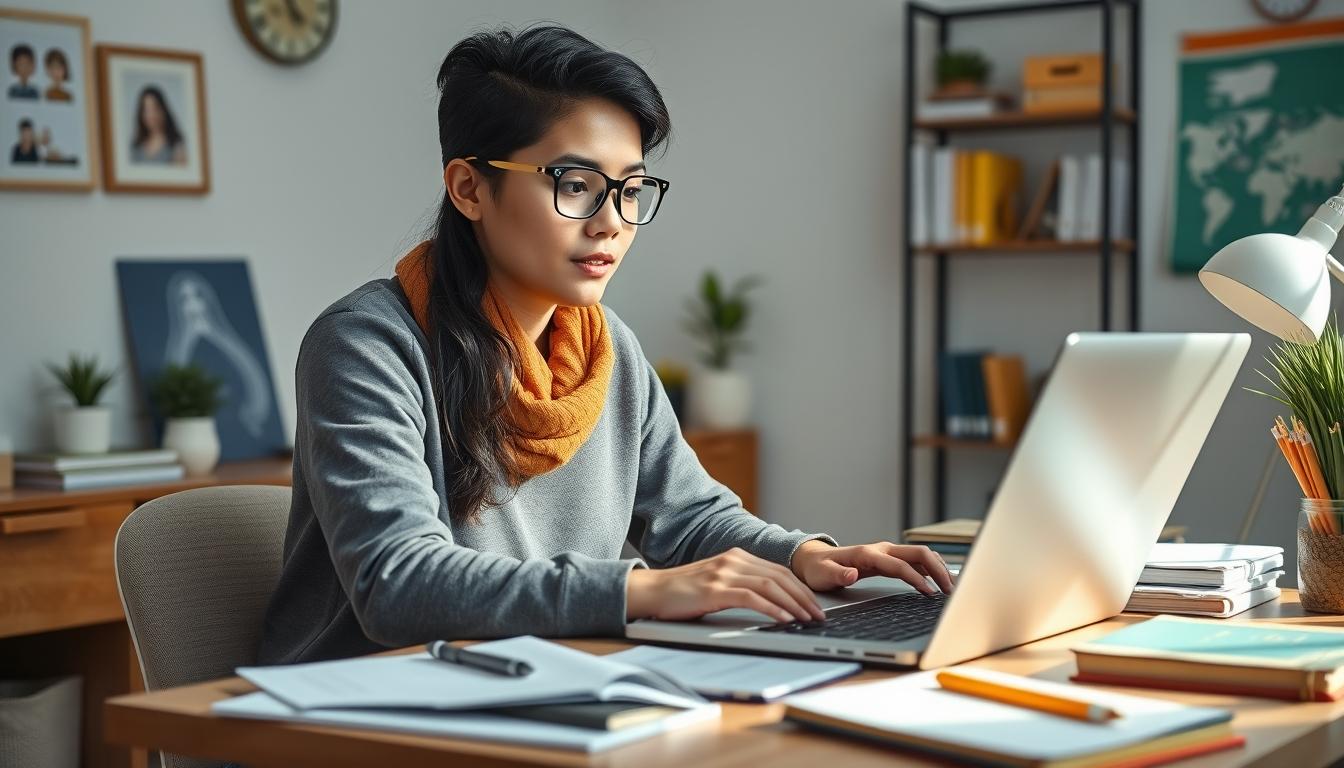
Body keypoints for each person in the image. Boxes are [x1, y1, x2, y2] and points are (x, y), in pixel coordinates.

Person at [256, 23, 953, 667]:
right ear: (469, 188)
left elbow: (690, 518)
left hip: (530, 691)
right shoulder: (366, 345)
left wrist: (802, 556)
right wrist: (640, 591)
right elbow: (398, 584)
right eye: (578, 185)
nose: (612, 223)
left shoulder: (604, 350)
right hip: (353, 718)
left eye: (630, 190)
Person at [129, 85, 186, 164]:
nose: (151, 115)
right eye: (146, 110)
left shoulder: (176, 144)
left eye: (155, 108)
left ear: (164, 110)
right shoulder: (136, 146)